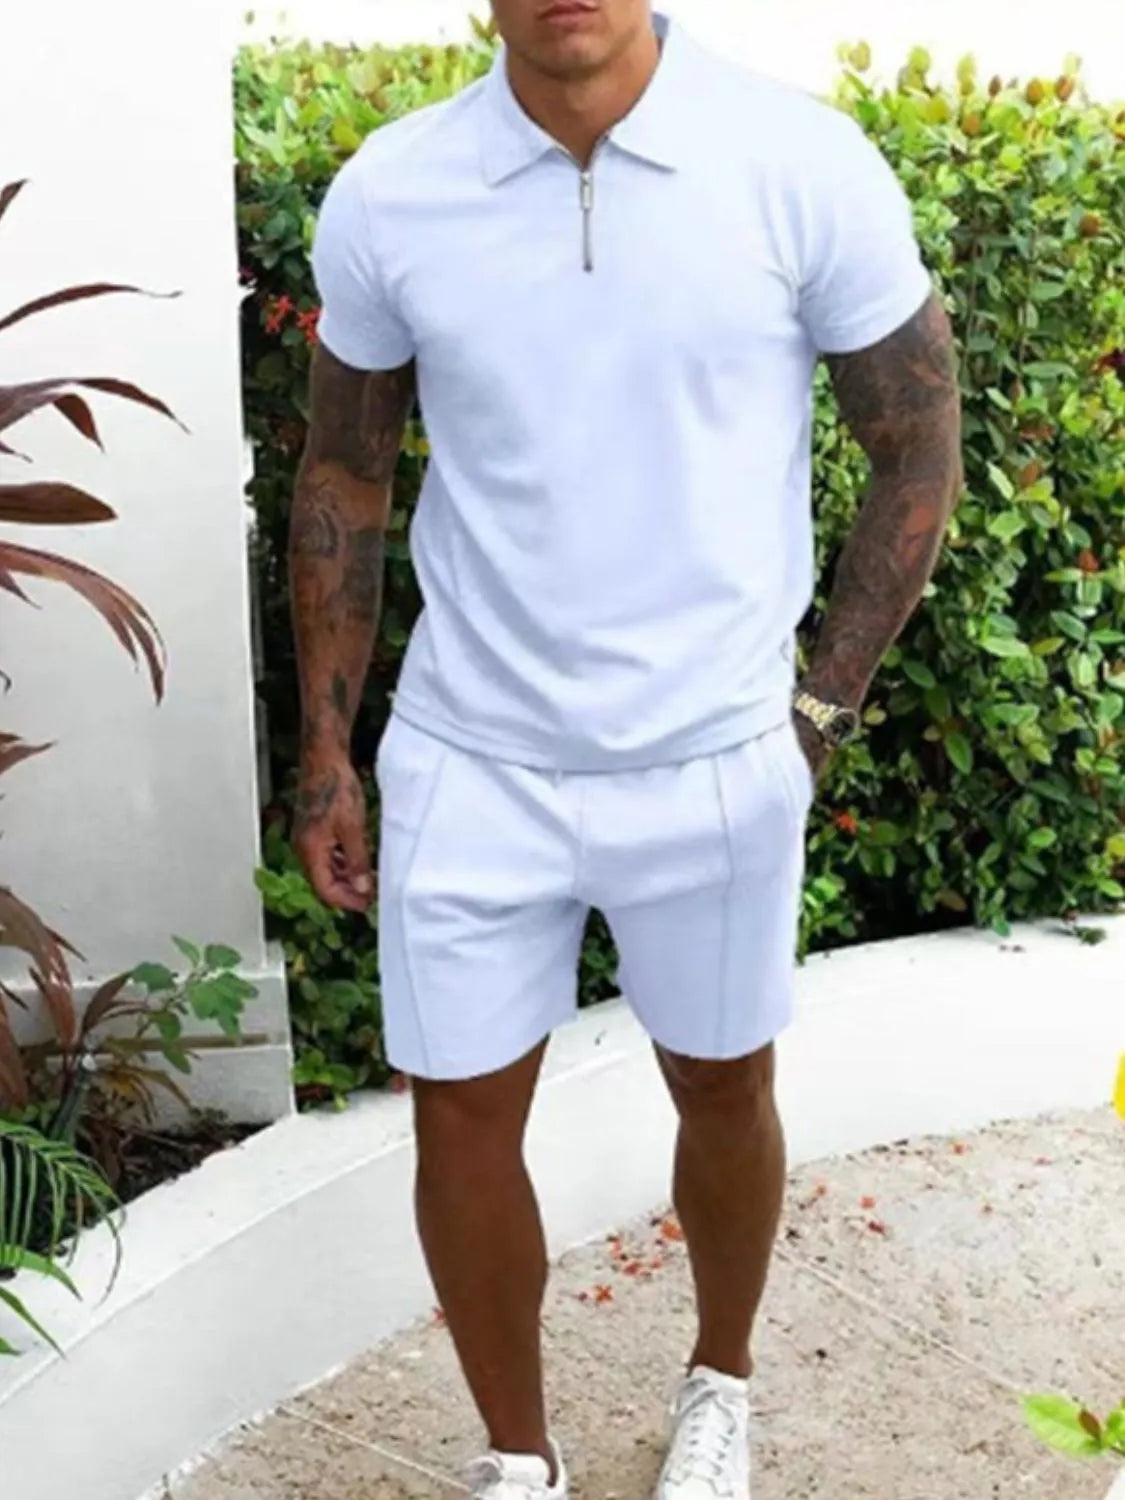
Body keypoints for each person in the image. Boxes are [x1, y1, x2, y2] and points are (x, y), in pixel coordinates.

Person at [289, 3, 962, 1496]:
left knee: (724, 1087)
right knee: (461, 1114)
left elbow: (916, 440)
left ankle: (720, 1381)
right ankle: (516, 1459)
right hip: (471, 752)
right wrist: (327, 747)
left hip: (713, 751)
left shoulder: (796, 162)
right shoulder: (396, 188)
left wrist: (819, 711)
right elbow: (343, 471)